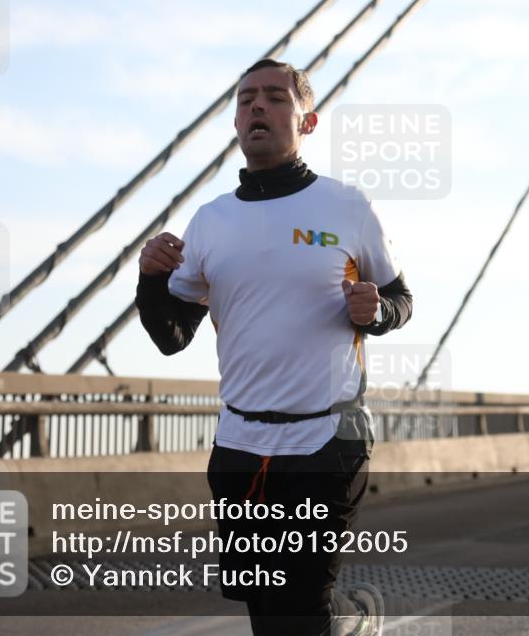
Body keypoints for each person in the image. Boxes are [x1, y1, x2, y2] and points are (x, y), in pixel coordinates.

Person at [135, 58, 413, 636]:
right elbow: (171, 337)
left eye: (275, 98)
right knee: (266, 609)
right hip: (240, 444)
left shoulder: (347, 207)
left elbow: (400, 297)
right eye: (246, 101)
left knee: (300, 607)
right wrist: (150, 279)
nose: (257, 107)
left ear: (306, 122)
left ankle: (340, 621)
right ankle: (352, 625)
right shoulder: (211, 222)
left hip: (327, 438)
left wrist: (379, 312)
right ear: (236, 124)